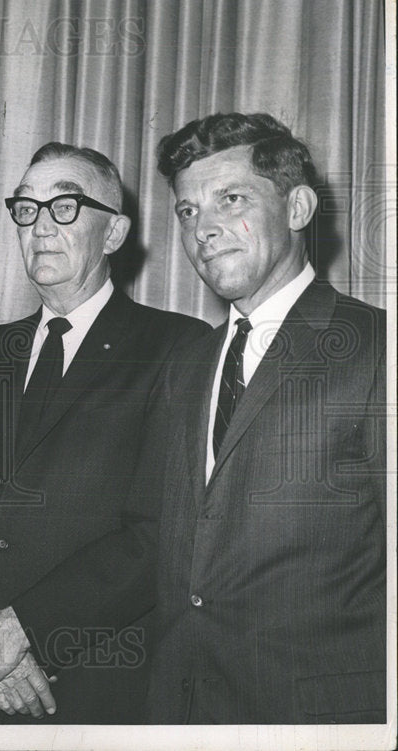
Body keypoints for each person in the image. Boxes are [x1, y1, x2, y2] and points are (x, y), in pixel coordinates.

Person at [0, 143, 209, 724]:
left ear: (114, 233)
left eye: (64, 206)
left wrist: (28, 631)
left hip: (100, 681)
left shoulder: (177, 349)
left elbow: (163, 530)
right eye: (26, 208)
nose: (40, 226)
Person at [144, 112, 385, 722]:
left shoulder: (377, 349)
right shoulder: (185, 363)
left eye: (231, 199)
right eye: (188, 211)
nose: (204, 228)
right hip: (180, 708)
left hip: (318, 716)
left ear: (298, 207)